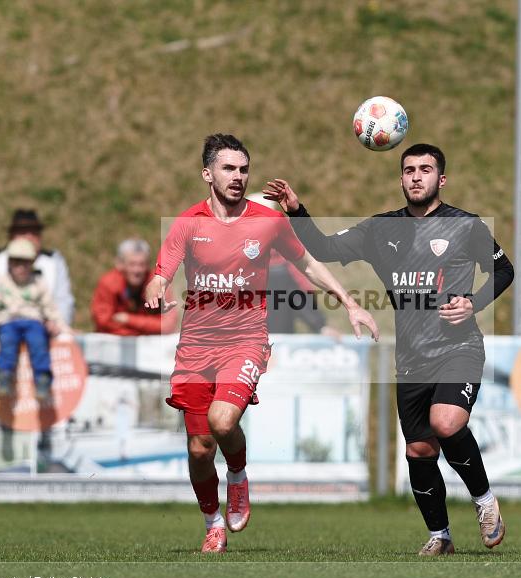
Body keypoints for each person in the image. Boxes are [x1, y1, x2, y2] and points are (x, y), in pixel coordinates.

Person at [264, 143, 514, 555]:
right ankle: (440, 537)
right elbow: (325, 249)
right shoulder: (380, 230)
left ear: (442, 179)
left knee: (447, 423)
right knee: (419, 449)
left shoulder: (466, 226)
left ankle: (485, 502)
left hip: (458, 347)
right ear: (401, 178)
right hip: (411, 357)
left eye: (426, 169)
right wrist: (297, 210)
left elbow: (504, 269)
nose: (417, 176)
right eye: (409, 170)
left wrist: (475, 302)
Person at [144, 133, 378, 554]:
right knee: (198, 449)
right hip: (196, 347)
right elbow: (163, 271)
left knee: (222, 422)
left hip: (245, 341)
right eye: (228, 168)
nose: (237, 177)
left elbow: (307, 261)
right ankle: (212, 523)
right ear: (207, 173)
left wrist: (349, 303)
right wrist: (157, 285)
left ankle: (237, 474)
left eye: (243, 169)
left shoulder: (268, 222)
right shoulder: (188, 222)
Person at [0, 209, 74, 340]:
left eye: (33, 233)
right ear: (11, 236)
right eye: (22, 232)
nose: (29, 237)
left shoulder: (54, 262)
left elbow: (63, 299)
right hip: (2, 333)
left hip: (42, 334)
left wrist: (59, 326)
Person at [0, 238, 70, 404]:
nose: (21, 268)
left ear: (32, 264)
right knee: (7, 342)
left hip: (33, 321)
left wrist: (61, 326)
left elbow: (49, 307)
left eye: (25, 263)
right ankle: (4, 376)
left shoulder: (38, 283)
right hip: (9, 321)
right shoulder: (2, 283)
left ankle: (42, 379)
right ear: (9, 263)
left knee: (38, 343)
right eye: (16, 262)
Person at [92, 238, 178, 335]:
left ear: (148, 265)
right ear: (120, 264)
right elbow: (103, 322)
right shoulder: (108, 283)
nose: (137, 270)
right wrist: (142, 331)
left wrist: (128, 319)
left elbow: (167, 325)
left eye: (142, 264)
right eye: (132, 264)